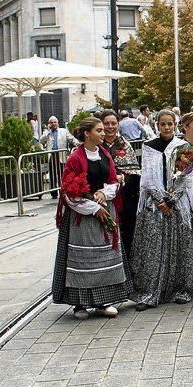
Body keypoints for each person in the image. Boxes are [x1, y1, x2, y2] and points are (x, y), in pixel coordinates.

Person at [53, 117, 132, 319]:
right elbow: (69, 193)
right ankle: (80, 304)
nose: (103, 133)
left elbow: (113, 180)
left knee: (105, 257)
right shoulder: (75, 158)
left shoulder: (104, 154)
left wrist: (105, 193)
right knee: (84, 260)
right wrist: (93, 208)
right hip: (83, 216)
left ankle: (103, 301)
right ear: (87, 134)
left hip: (106, 208)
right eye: (99, 130)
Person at [132, 110, 193, 309]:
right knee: (152, 248)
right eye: (162, 124)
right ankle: (150, 290)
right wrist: (159, 199)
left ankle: (181, 288)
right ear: (157, 125)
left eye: (170, 124)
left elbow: (186, 177)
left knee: (180, 246)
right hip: (155, 205)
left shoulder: (182, 147)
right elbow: (146, 177)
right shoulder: (148, 147)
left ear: (175, 124)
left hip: (177, 205)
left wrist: (171, 200)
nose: (166, 127)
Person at [100, 109, 141, 255]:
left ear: (118, 125)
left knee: (125, 231)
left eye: (113, 123)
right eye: (106, 123)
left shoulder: (125, 145)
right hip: (101, 197)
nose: (110, 127)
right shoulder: (97, 145)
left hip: (123, 197)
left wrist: (122, 177)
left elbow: (135, 171)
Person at [40, 116, 79, 199]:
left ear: (57, 123)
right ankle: (54, 193)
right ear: (49, 124)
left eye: (55, 122)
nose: (53, 124)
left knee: (63, 174)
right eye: (51, 122)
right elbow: (41, 141)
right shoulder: (47, 132)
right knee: (52, 174)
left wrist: (78, 144)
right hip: (52, 155)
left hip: (62, 155)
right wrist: (47, 132)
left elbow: (71, 139)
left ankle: (64, 190)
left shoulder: (64, 131)